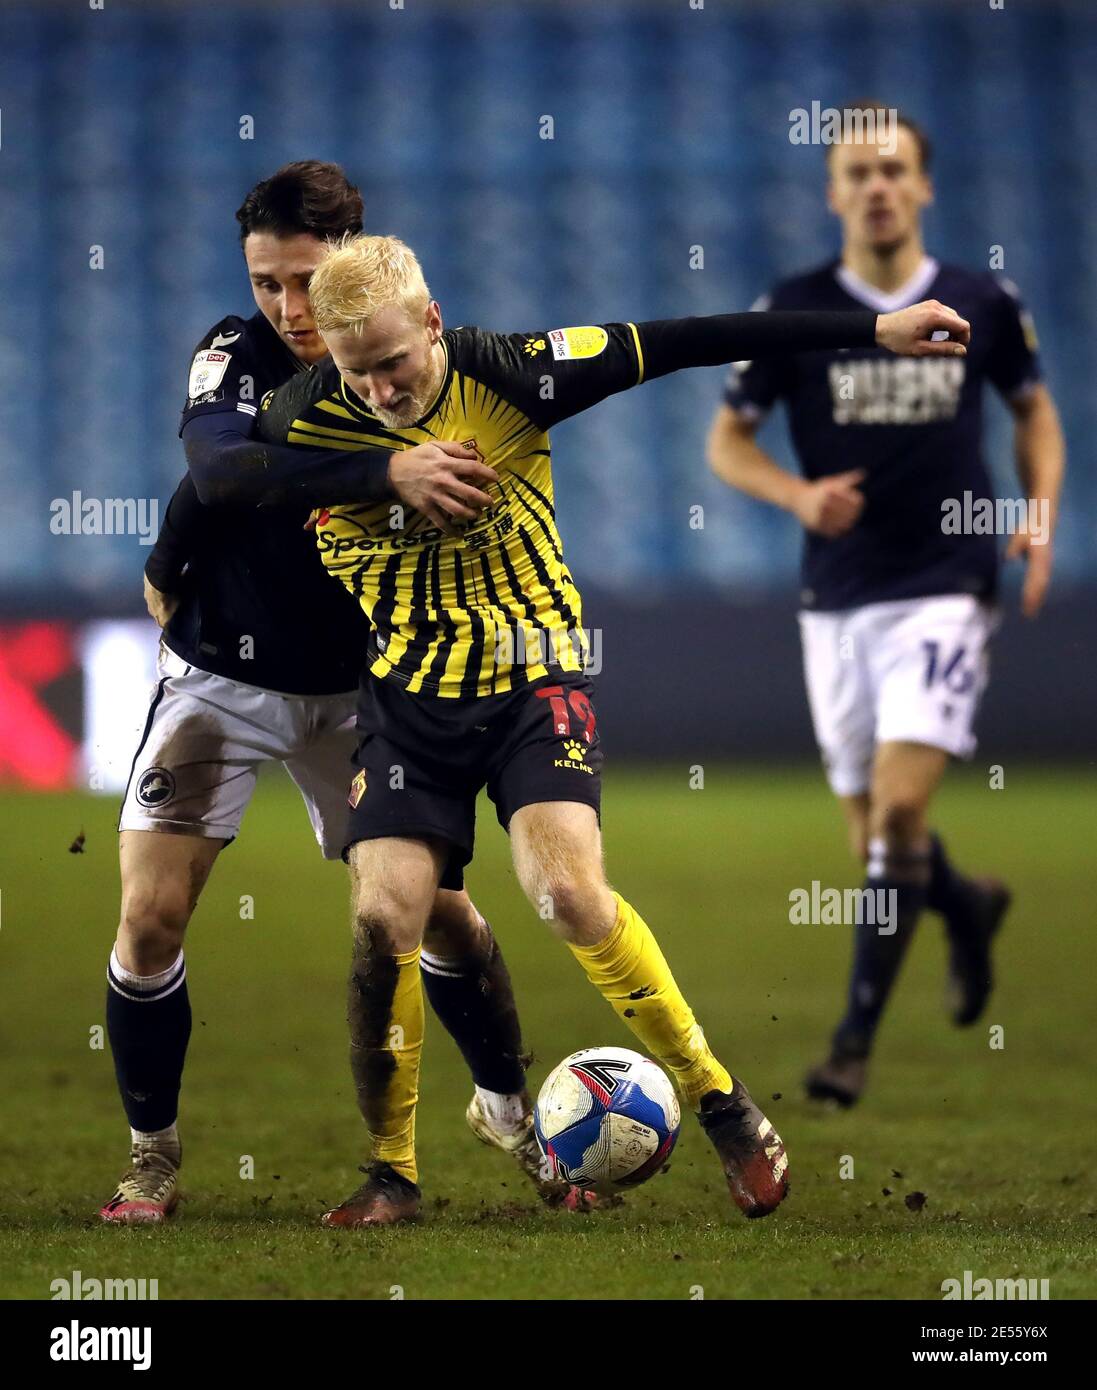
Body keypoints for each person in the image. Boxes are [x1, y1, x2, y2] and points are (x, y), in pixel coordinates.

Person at [255, 230, 969, 1224]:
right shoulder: (297, 423)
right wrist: (370, 481)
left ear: (431, 323)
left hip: (530, 677)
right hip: (405, 700)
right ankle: (392, 1173)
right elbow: (215, 485)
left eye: (393, 361)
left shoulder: (511, 373)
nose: (378, 389)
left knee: (566, 897)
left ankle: (722, 1104)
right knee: (384, 920)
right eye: (354, 371)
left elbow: (686, 336)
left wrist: (872, 328)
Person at [102, 164, 569, 1225]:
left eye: (302, 280)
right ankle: (152, 1156)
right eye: (266, 280)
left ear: (354, 258)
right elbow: (218, 475)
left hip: (364, 688)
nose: (284, 306)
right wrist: (381, 477)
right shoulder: (235, 354)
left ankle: (508, 1112)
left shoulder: (411, 357)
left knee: (439, 917)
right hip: (222, 676)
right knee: (150, 914)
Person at [706, 109, 1065, 1106]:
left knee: (898, 809)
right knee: (872, 835)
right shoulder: (796, 307)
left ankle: (847, 1046)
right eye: (855, 170)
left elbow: (1032, 409)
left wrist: (1034, 514)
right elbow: (724, 442)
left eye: (892, 169)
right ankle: (963, 901)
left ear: (922, 187)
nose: (874, 185)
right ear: (831, 192)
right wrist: (794, 495)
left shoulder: (979, 299)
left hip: (944, 583)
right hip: (836, 591)